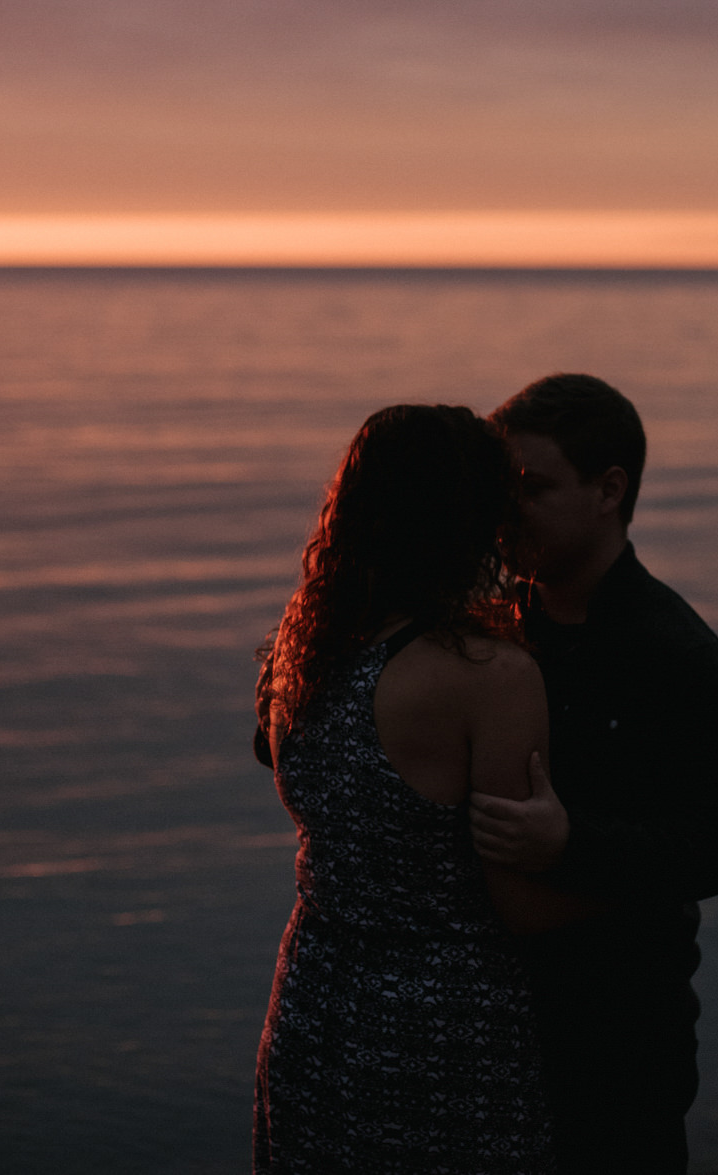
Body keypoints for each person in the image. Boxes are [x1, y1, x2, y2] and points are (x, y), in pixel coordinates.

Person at [251, 403, 582, 1175]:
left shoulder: (304, 639)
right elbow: (521, 904)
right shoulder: (489, 675)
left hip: (312, 996)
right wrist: (635, 884)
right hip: (440, 1030)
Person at [470, 374, 718, 1175]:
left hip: (621, 1037)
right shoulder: (486, 629)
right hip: (484, 1036)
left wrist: (572, 842)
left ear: (609, 490)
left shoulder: (679, 655)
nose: (509, 506)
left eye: (532, 486)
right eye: (502, 486)